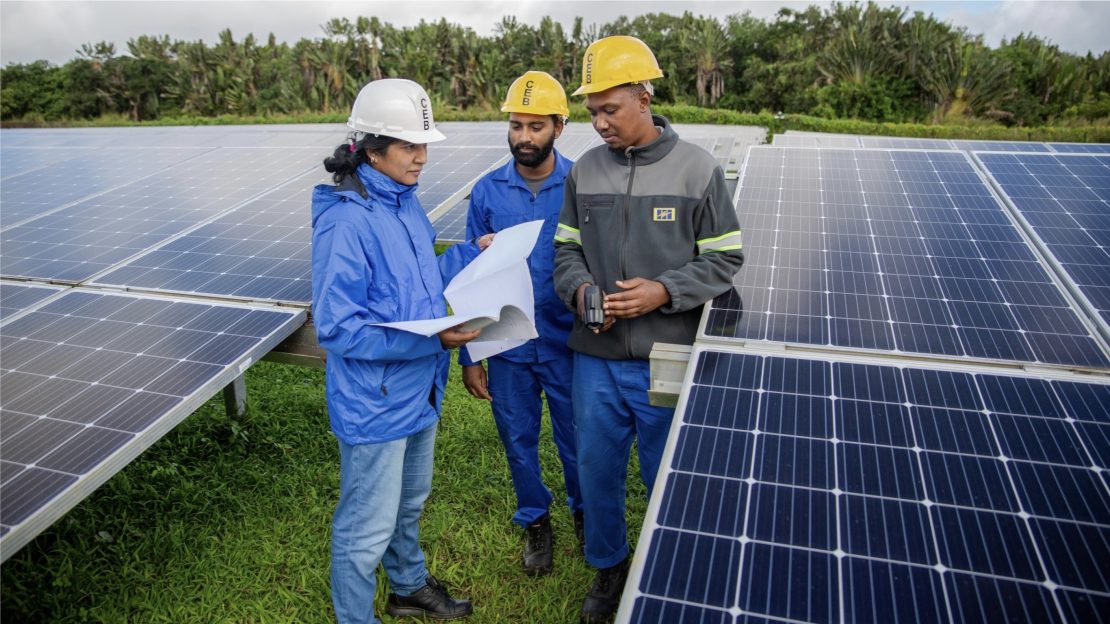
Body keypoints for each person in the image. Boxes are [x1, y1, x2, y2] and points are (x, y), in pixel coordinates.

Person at [553, 36, 745, 623]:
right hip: (597, 358)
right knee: (597, 466)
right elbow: (565, 254)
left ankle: (677, 562)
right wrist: (583, 292)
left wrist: (665, 290)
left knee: (669, 467)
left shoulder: (698, 169)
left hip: (669, 354)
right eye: (592, 113)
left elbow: (725, 257)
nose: (600, 123)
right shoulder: (585, 170)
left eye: (610, 109)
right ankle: (609, 565)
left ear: (644, 96)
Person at [311, 78, 493, 624]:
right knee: (365, 526)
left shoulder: (403, 202)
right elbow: (338, 328)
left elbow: (419, 287)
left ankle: (408, 587)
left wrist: (467, 253)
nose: (423, 157)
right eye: (410, 146)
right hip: (375, 399)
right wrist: (432, 340)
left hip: (420, 388)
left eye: (424, 144)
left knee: (408, 503)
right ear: (371, 148)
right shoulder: (347, 221)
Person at [459, 70, 583, 576]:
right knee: (517, 438)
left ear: (559, 126)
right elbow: (471, 274)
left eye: (536, 126)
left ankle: (585, 512)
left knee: (579, 436)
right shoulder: (488, 193)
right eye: (516, 125)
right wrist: (470, 355)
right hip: (506, 344)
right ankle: (536, 519)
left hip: (570, 342)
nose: (524, 137)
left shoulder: (581, 183)